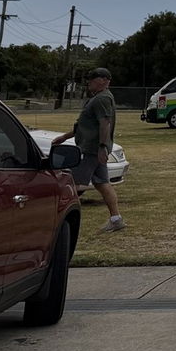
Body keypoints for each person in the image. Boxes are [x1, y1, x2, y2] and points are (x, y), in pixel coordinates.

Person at [52, 67, 125, 233]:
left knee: (74, 185)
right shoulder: (98, 98)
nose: (89, 82)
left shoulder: (102, 99)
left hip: (90, 149)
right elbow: (85, 125)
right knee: (102, 183)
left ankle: (58, 221)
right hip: (91, 147)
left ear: (103, 80)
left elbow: (105, 123)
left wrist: (102, 147)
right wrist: (64, 137)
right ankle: (116, 219)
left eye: (92, 79)